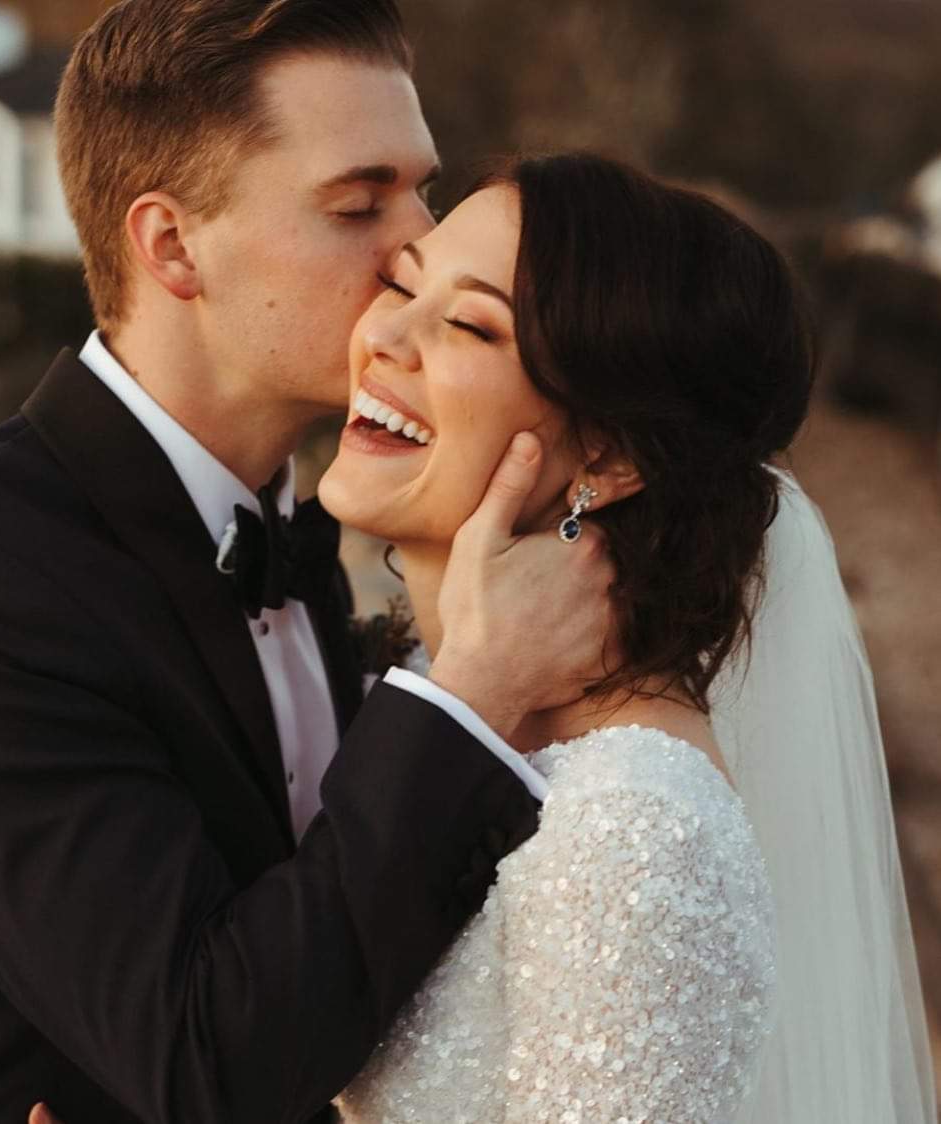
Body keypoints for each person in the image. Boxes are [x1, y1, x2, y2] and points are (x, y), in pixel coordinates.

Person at [0, 4, 617, 1123]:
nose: (413, 250)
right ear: (172, 245)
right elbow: (208, 1061)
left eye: (420, 191)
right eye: (358, 202)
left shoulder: (292, 538)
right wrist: (470, 697)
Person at [316, 154, 936, 1122]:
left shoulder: (633, 831)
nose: (381, 336)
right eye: (401, 284)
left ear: (603, 455)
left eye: (469, 323)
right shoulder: (414, 698)